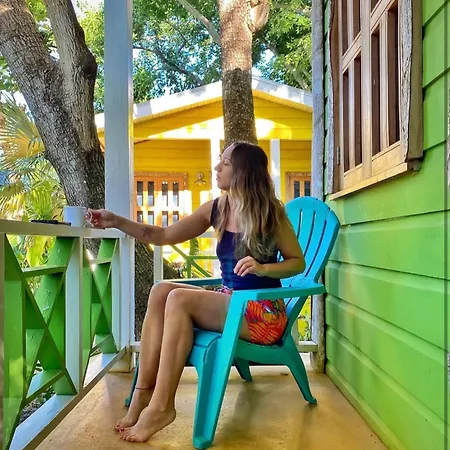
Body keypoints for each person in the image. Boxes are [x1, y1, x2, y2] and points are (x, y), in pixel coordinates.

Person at [88, 141, 306, 443]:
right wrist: (116, 221)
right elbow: (163, 235)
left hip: (262, 313)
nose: (217, 168)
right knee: (161, 290)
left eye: (225, 163)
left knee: (178, 298)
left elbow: (297, 262)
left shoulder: (271, 214)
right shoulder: (217, 209)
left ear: (244, 172)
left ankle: (161, 407)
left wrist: (264, 268)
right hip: (230, 302)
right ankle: (143, 394)